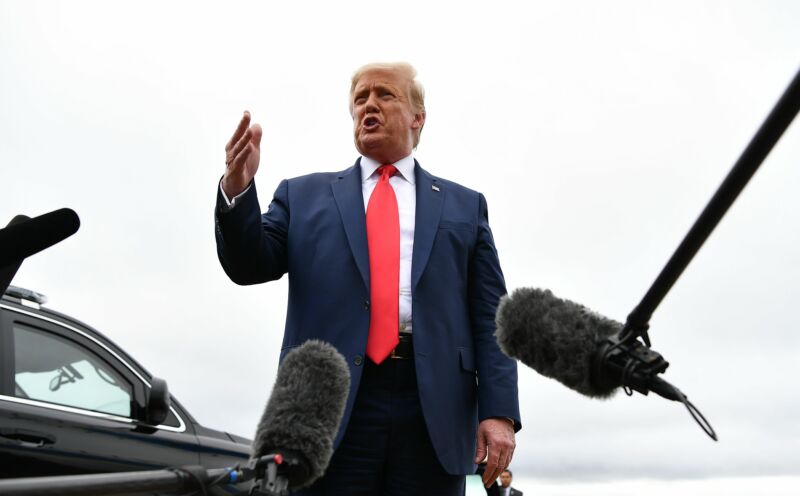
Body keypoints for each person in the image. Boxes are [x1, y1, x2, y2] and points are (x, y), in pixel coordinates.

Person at [215, 62, 521, 495]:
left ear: (418, 117)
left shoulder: (464, 206)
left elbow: (493, 318)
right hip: (328, 406)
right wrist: (237, 188)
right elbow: (248, 266)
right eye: (360, 98)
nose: (369, 105)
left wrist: (499, 413)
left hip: (433, 406)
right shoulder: (302, 196)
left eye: (385, 95)